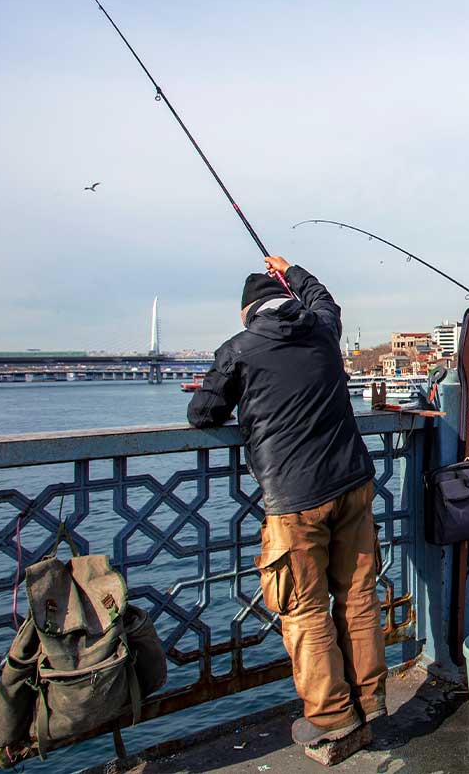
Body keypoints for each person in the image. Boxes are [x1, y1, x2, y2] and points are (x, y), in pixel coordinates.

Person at [188, 257, 384, 748]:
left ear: (247, 313)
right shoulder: (321, 329)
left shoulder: (238, 349)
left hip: (295, 500)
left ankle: (333, 715)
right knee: (358, 597)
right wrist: (292, 268)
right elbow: (324, 298)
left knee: (304, 608)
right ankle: (372, 699)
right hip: (354, 482)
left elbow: (203, 412)